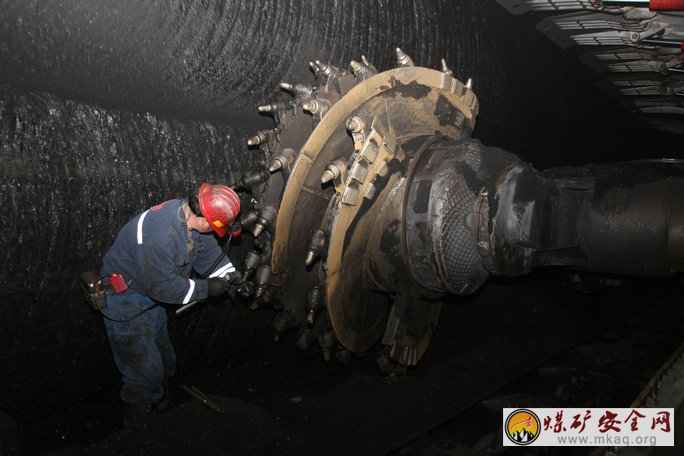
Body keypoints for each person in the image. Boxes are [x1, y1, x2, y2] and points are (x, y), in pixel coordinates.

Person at [100, 183, 241, 429]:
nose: (215, 232)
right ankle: (136, 426)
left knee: (165, 359)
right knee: (144, 369)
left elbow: (210, 256)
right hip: (126, 300)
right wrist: (206, 289)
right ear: (206, 220)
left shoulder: (191, 219)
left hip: (149, 297)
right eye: (216, 227)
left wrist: (233, 279)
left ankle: (161, 405)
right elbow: (161, 289)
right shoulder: (160, 237)